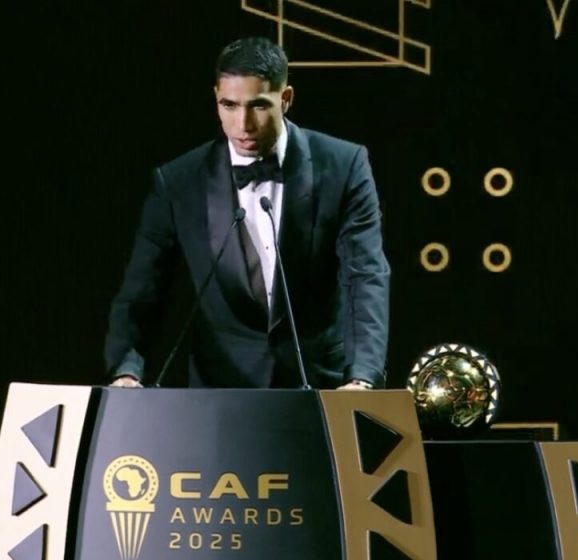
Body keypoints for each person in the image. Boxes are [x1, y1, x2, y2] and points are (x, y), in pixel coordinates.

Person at [103, 36, 390, 390]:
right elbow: (142, 291)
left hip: (320, 385)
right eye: (229, 105)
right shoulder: (177, 182)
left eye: (258, 105)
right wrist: (126, 370)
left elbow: (366, 277)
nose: (243, 124)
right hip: (221, 393)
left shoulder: (344, 166)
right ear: (216, 98)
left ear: (286, 99)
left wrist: (361, 377)